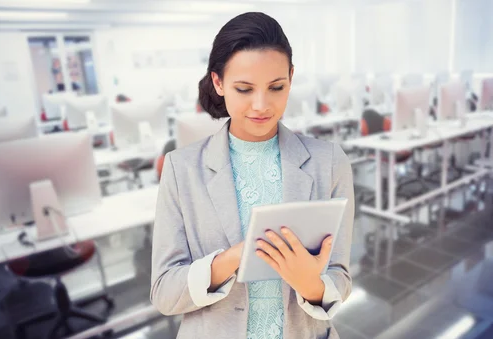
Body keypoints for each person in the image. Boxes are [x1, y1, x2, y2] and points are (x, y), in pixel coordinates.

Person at [150, 12, 354, 339]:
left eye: (276, 87)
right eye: (244, 89)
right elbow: (164, 292)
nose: (261, 105)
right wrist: (233, 258)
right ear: (218, 83)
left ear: (291, 77)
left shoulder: (329, 162)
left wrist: (310, 284)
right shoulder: (181, 168)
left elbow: (341, 277)